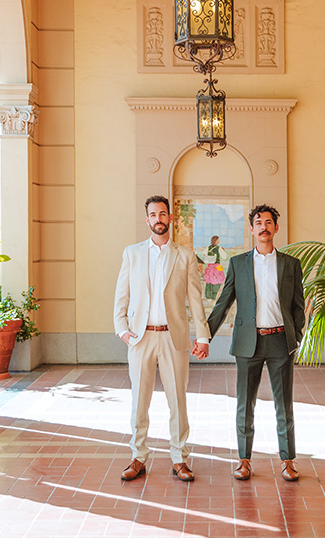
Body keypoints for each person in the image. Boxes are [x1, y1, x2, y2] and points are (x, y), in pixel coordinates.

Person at [195, 204, 305, 482]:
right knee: (245, 404)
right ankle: (244, 459)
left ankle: (288, 460)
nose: (264, 227)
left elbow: (298, 306)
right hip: (248, 343)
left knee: (284, 404)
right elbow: (223, 303)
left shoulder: (291, 264)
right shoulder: (239, 263)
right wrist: (204, 335)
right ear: (252, 228)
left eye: (269, 222)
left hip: (281, 341)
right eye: (258, 222)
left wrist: (297, 335)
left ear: (276, 228)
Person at [114, 195, 210, 482]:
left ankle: (179, 458)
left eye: (162, 214)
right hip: (140, 338)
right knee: (139, 400)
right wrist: (122, 328)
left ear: (170, 218)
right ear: (147, 220)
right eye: (153, 214)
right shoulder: (132, 254)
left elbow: (195, 299)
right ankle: (138, 457)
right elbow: (122, 294)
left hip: (173, 338)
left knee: (177, 400)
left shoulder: (185, 255)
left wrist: (202, 336)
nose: (158, 218)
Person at [202, 235, 225, 299]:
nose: (218, 241)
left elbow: (203, 255)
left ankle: (208, 296)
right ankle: (215, 296)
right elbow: (224, 257)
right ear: (216, 241)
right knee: (217, 281)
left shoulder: (208, 248)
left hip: (209, 267)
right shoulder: (219, 248)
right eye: (217, 240)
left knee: (209, 281)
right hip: (216, 267)